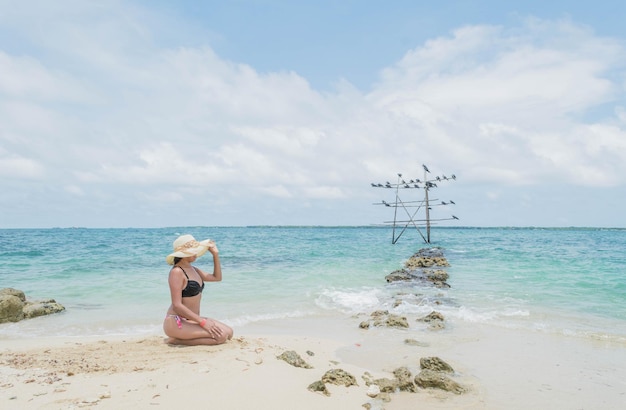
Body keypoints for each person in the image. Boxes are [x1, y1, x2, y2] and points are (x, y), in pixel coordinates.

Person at [163, 234, 233, 345]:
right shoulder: (177, 272)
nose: (196, 254)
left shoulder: (193, 269)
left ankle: (183, 338)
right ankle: (176, 340)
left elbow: (217, 277)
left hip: (192, 320)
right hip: (177, 322)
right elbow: (177, 305)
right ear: (183, 254)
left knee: (229, 332)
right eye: (193, 251)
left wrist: (215, 255)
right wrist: (203, 322)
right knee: (221, 337)